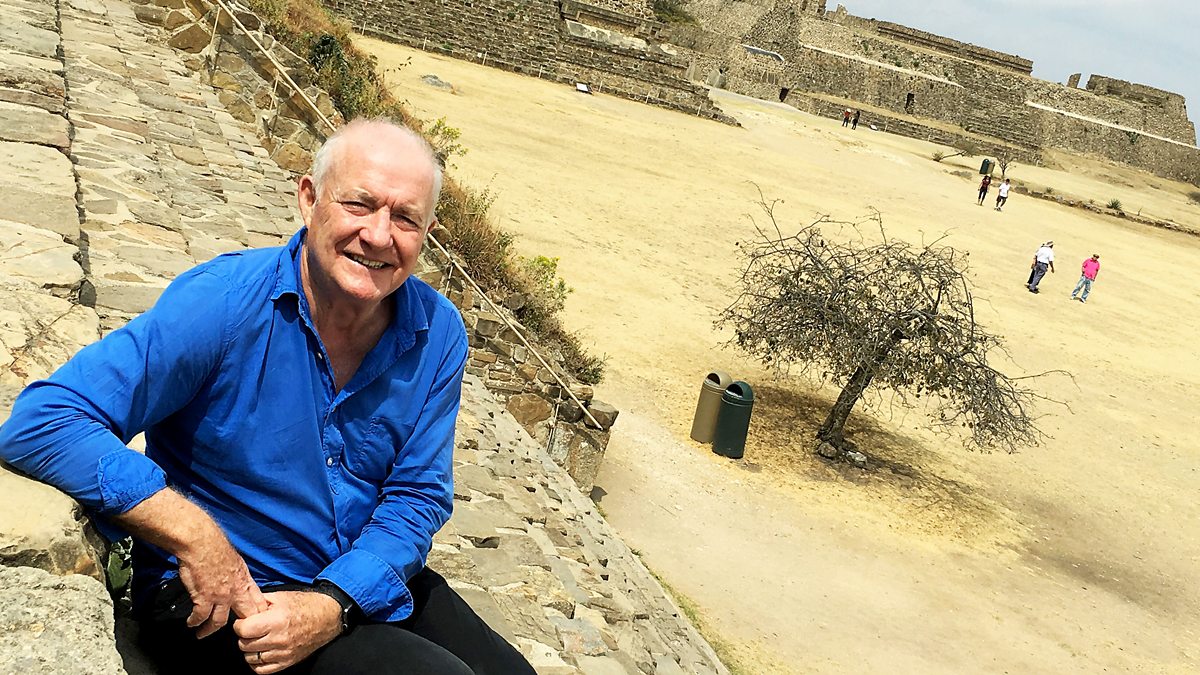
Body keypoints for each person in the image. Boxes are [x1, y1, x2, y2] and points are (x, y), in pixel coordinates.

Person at [0, 119, 535, 675]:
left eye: (405, 218)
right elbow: (44, 420)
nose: (379, 235)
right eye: (359, 204)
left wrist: (336, 601)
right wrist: (195, 533)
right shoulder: (224, 303)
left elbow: (418, 494)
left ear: (427, 232)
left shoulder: (436, 332)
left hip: (355, 581)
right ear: (308, 200)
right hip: (227, 597)